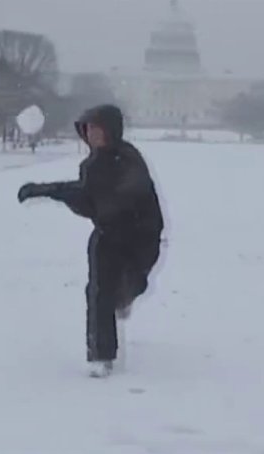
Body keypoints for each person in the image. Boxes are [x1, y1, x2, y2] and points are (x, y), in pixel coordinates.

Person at [16, 105, 164, 378]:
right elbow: (86, 197)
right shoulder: (91, 165)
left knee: (131, 285)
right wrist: (46, 190)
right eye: (88, 129)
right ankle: (101, 356)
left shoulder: (129, 159)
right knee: (98, 292)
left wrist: (103, 202)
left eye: (97, 128)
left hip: (140, 237)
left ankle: (124, 297)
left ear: (111, 130)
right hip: (107, 237)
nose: (93, 134)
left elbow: (120, 195)